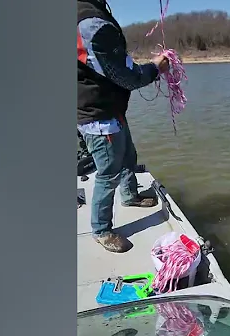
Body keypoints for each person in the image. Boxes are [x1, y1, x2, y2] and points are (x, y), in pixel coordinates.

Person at [77, 0, 170, 253]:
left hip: (109, 109)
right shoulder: (90, 23)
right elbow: (127, 77)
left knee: (128, 155)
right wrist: (155, 68)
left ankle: (130, 196)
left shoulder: (86, 13)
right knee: (108, 173)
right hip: (98, 115)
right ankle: (101, 230)